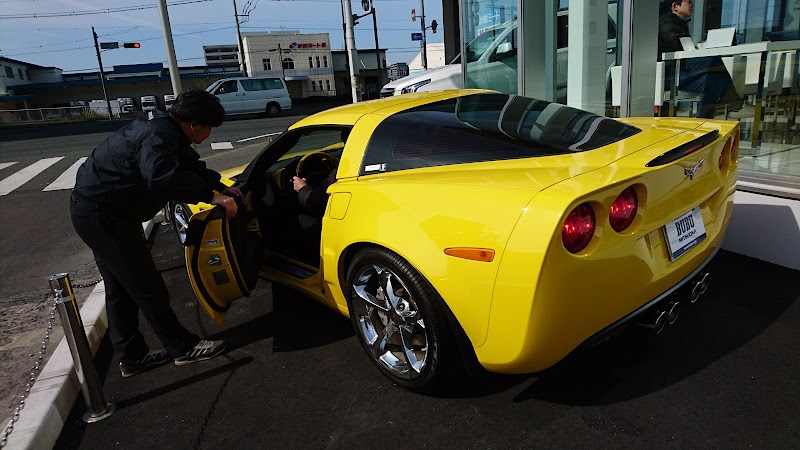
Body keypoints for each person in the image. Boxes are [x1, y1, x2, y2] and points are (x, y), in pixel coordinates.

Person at [70, 89, 239, 378]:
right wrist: (211, 198)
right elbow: (163, 178)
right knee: (147, 286)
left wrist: (220, 186)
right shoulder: (156, 137)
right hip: (105, 216)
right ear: (194, 124)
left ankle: (132, 356)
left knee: (121, 288)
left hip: (100, 211)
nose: (210, 134)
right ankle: (183, 348)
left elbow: (189, 166)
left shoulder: (166, 128)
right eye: (210, 128)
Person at [658, 0, 741, 118]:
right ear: (675, 6)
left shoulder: (680, 24)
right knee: (714, 59)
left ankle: (704, 120)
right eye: (688, 2)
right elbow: (676, 53)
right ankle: (733, 98)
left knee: (714, 80)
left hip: (680, 71)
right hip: (671, 74)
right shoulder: (668, 24)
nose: (692, 5)